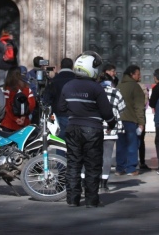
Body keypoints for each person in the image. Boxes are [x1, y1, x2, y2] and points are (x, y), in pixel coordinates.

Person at [61, 52, 116, 207]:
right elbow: (107, 112)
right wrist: (112, 124)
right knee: (92, 165)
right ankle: (92, 200)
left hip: (72, 128)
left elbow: (61, 107)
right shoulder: (95, 88)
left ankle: (72, 199)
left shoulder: (68, 85)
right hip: (92, 130)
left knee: (73, 164)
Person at [116, 65, 147, 177]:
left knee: (120, 145)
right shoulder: (135, 87)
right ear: (132, 74)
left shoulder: (119, 86)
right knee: (132, 145)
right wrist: (141, 123)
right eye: (138, 74)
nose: (140, 76)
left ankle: (120, 168)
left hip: (119, 120)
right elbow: (139, 107)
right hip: (130, 120)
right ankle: (131, 168)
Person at [99, 71, 125, 191]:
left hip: (96, 127)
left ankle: (86, 181)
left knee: (91, 155)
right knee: (107, 156)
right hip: (111, 127)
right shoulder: (116, 92)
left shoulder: (95, 91)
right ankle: (104, 183)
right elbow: (122, 109)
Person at [43, 57, 76, 138]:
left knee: (60, 143)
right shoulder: (77, 79)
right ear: (72, 67)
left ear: (60, 66)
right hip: (75, 115)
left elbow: (47, 98)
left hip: (58, 114)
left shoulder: (54, 80)